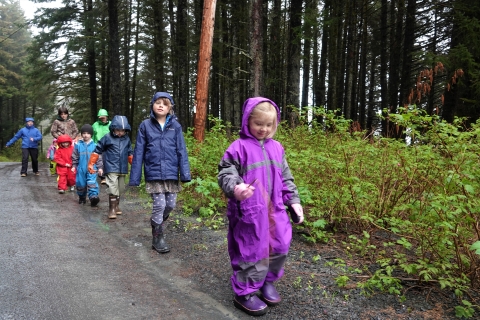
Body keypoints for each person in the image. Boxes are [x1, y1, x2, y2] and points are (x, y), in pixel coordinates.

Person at [217, 97, 304, 316]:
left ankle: (267, 281)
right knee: (252, 249)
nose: (263, 129)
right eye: (258, 124)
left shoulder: (277, 148)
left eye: (268, 125)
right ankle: (245, 292)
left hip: (276, 209)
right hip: (249, 210)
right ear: (248, 121)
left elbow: (286, 177)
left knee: (280, 246)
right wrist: (236, 188)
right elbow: (226, 172)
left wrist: (293, 200)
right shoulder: (238, 147)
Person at [129, 92, 191, 254]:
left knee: (170, 205)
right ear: (152, 105)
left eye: (165, 103)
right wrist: (135, 178)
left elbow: (181, 151)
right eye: (158, 102)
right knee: (160, 204)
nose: (161, 105)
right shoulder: (145, 126)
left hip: (171, 173)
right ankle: (158, 236)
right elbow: (139, 152)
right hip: (153, 173)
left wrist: (185, 174)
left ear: (170, 107)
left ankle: (156, 222)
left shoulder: (175, 127)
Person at [88, 115, 133, 219]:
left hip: (123, 168)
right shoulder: (107, 138)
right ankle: (111, 209)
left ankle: (116, 206)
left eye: (123, 130)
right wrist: (91, 164)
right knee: (113, 188)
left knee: (120, 188)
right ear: (113, 128)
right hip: (111, 166)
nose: (120, 132)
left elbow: (130, 153)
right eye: (118, 130)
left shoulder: (127, 139)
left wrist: (134, 165)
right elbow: (97, 150)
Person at [72, 124, 102, 206]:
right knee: (80, 184)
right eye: (84, 133)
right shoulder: (78, 145)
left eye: (88, 133)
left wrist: (100, 168)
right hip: (81, 168)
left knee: (91, 182)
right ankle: (82, 197)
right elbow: (75, 157)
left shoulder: (95, 146)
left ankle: (93, 197)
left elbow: (98, 158)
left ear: (91, 134)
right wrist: (74, 166)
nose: (86, 135)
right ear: (81, 134)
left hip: (92, 168)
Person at [92, 109, 111, 185]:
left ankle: (109, 176)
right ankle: (102, 177)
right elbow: (93, 136)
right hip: (98, 145)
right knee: (100, 161)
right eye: (101, 117)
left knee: (108, 161)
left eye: (104, 117)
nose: (102, 119)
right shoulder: (95, 125)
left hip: (109, 146)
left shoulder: (111, 124)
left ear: (107, 117)